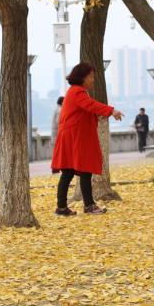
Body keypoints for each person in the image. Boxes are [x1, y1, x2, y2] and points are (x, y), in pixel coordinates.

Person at [51, 63, 124, 215]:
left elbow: (87, 110)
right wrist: (111, 111)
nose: (93, 79)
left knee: (71, 172)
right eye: (90, 76)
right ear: (82, 78)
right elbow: (91, 105)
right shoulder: (77, 92)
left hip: (73, 137)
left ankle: (63, 207)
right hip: (73, 138)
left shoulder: (76, 92)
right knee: (78, 171)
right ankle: (86, 205)